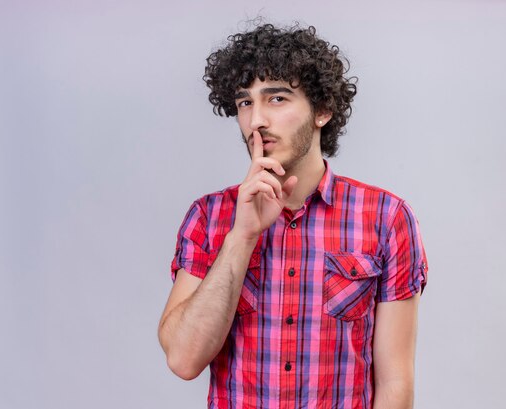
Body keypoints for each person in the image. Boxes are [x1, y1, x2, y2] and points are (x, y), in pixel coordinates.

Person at [158, 22, 428, 409]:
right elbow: (183, 359)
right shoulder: (210, 216)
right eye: (245, 102)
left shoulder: (385, 218)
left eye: (277, 99)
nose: (256, 121)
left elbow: (395, 382)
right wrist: (242, 237)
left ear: (322, 110)